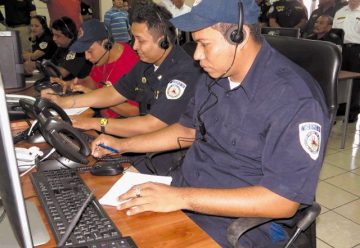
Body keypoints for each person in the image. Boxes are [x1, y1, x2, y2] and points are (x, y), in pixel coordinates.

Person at [90, 0, 330, 247]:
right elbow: (186, 130)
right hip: (189, 190)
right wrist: (122, 145)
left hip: (244, 223)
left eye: (204, 44)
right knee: (106, 224)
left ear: (239, 36)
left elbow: (282, 201)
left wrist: (181, 198)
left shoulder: (294, 98)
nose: (196, 55)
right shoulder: (215, 74)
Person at [41, 1, 203, 175]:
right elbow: (113, 92)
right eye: (133, 39)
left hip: (170, 160)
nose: (134, 46)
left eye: (140, 40)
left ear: (162, 41)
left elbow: (151, 124)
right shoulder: (146, 64)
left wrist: (93, 123)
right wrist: (63, 102)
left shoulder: (183, 72)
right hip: (143, 149)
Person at [55, 18, 139, 118]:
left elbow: (134, 111)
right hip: (102, 117)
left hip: (119, 124)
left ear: (106, 44)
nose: (86, 57)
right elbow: (93, 81)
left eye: (90, 51)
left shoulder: (130, 65)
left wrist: (95, 95)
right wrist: (74, 83)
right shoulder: (103, 58)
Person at [333, 0, 360, 122]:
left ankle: (353, 111)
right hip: (341, 49)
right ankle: (341, 108)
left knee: (356, 82)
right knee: (340, 79)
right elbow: (334, 32)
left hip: (357, 49)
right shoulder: (340, 11)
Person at [50, 16, 92, 81]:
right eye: (53, 34)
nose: (54, 39)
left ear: (69, 35)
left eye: (58, 36)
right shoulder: (62, 46)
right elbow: (51, 64)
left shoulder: (78, 49)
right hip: (69, 84)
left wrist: (44, 66)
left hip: (82, 86)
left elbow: (62, 73)